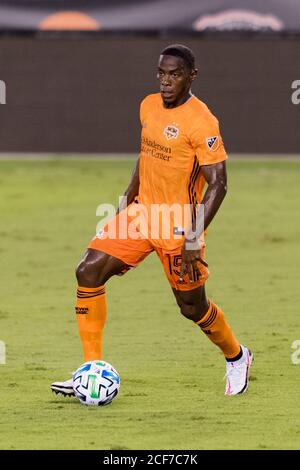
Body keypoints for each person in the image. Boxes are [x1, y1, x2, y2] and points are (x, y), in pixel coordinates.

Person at [51, 44, 252, 397]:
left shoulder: (202, 121)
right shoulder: (148, 105)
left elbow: (219, 184)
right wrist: (127, 197)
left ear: (192, 76)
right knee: (88, 270)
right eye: (161, 73)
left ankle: (236, 357)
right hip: (142, 213)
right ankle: (90, 370)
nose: (165, 81)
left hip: (178, 225)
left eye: (174, 74)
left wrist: (193, 237)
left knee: (191, 307)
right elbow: (146, 154)